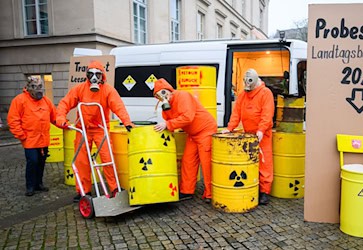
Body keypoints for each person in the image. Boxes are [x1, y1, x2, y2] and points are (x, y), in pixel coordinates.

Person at [56, 60, 134, 202]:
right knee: (81, 162)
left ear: (102, 76)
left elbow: (118, 106)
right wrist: (61, 118)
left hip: (100, 129)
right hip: (82, 130)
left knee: (107, 159)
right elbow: (65, 103)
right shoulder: (79, 89)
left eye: (97, 75)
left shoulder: (108, 90)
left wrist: (126, 122)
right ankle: (83, 191)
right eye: (91, 74)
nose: (94, 78)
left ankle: (114, 188)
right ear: (87, 75)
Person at [153, 78, 217, 203]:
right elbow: (168, 118)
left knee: (206, 163)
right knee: (188, 161)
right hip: (193, 134)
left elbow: (187, 117)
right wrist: (166, 109)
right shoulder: (168, 103)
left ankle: (210, 193)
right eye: (158, 96)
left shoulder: (183, 96)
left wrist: (168, 124)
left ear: (169, 90)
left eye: (163, 93)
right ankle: (186, 191)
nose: (162, 97)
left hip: (206, 130)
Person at [221, 68, 275, 205]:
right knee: (250, 163)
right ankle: (252, 186)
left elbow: (267, 114)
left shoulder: (265, 93)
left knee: (264, 162)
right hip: (248, 135)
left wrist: (261, 130)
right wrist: (229, 128)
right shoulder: (243, 94)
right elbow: (236, 113)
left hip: (263, 135)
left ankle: (264, 192)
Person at [7, 76, 57, 196]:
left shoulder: (46, 101)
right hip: (29, 139)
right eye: (35, 87)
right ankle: (30, 186)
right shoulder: (19, 100)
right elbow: (13, 120)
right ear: (29, 88)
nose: (38, 90)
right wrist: (21, 135)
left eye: (40, 87)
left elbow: (54, 117)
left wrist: (65, 124)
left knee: (41, 162)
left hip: (43, 139)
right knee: (33, 161)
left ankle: (38, 184)